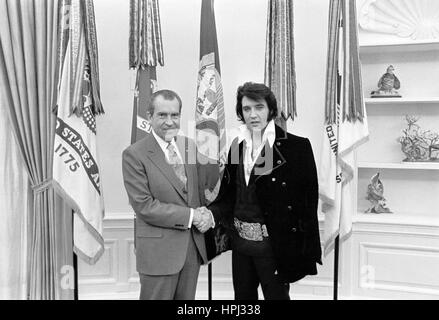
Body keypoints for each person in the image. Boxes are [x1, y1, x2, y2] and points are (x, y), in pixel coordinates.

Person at [208, 82, 322, 300]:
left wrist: (305, 250)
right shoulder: (237, 146)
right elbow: (229, 195)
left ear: (270, 109)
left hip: (275, 246)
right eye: (246, 109)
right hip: (241, 245)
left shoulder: (297, 147)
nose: (253, 114)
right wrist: (208, 213)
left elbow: (307, 204)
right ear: (240, 113)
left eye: (259, 107)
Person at [122, 89, 215, 300]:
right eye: (162, 115)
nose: (169, 121)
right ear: (149, 117)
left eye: (174, 115)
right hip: (158, 254)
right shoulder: (134, 154)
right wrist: (192, 216)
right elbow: (144, 206)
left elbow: (196, 194)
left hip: (191, 250)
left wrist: (207, 213)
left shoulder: (189, 146)